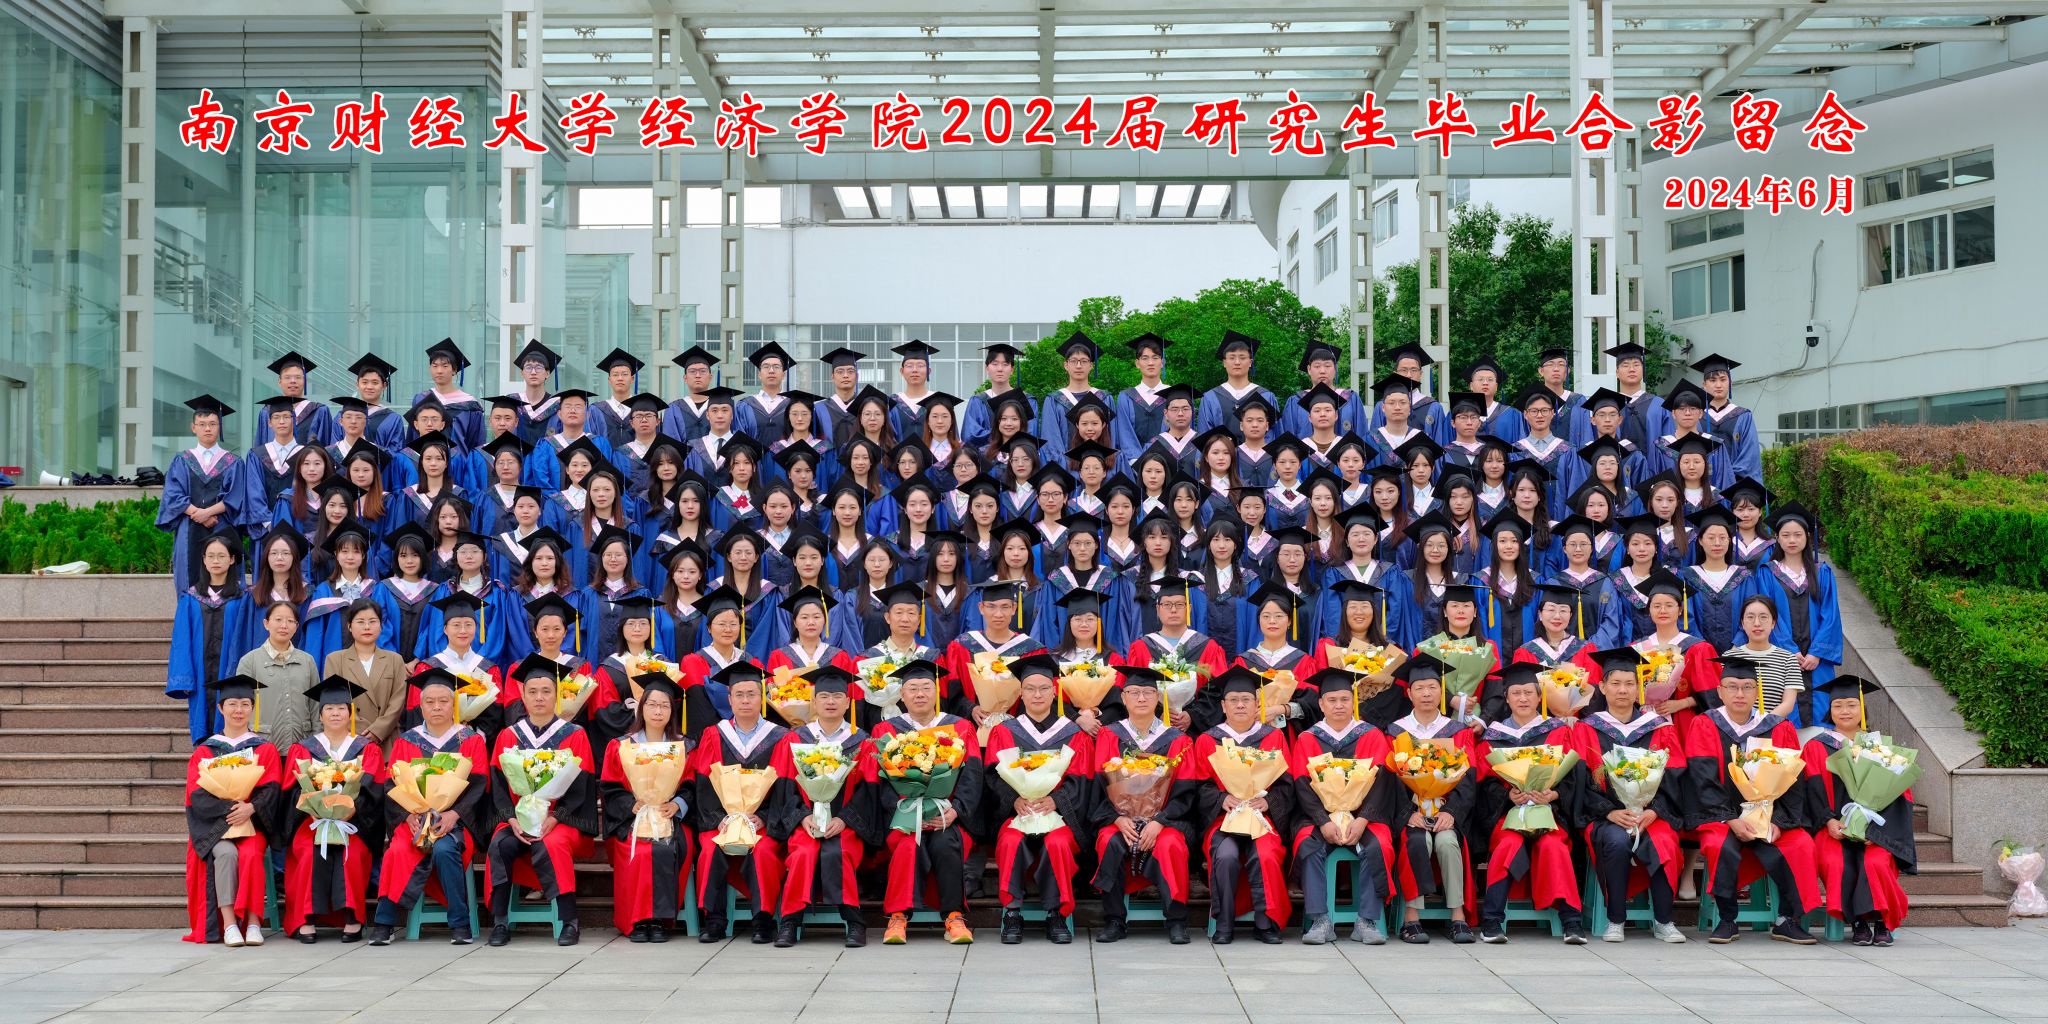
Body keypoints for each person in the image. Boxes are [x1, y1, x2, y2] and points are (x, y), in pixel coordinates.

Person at [1685, 659, 1820, 944]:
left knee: (1801, 844)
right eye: (1732, 687)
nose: (1740, 694)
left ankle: (1787, 920)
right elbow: (1701, 777)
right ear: (1720, 691)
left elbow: (1793, 779)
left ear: (1756, 691)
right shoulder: (1705, 724)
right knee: (1718, 844)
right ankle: (1727, 919)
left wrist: (1779, 822)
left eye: (1747, 687)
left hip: (1770, 816)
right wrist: (1731, 819)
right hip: (1721, 817)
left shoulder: (1778, 727)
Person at [1570, 647, 1689, 944]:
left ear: (1639, 688)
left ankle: (1664, 920)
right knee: (1615, 841)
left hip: (1651, 814)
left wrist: (1655, 810)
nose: (1622, 690)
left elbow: (1675, 776)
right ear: (1602, 687)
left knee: (1664, 841)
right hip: (1606, 816)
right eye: (1615, 684)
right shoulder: (1586, 729)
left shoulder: (1659, 728)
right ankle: (1615, 920)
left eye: (1629, 684)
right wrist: (1608, 812)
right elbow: (1578, 781)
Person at [365, 668, 490, 945]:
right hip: (415, 820)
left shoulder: (470, 740)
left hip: (455, 823)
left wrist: (454, 814)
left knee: (445, 850)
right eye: (430, 702)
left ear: (453, 705)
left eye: (443, 701)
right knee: (397, 850)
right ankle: (384, 923)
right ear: (420, 706)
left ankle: (460, 924)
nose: (436, 707)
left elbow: (480, 785)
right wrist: (406, 816)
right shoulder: (406, 741)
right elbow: (392, 785)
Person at [485, 656, 601, 946]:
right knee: (499, 844)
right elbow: (498, 784)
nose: (539, 698)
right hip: (517, 820)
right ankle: (500, 921)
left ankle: (569, 921)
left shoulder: (574, 735)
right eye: (533, 692)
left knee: (553, 843)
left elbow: (582, 785)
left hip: (561, 821)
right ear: (522, 696)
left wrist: (555, 817)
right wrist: (510, 818)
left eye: (546, 691)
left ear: (557, 695)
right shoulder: (508, 736)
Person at [1472, 663, 1589, 944]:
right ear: (1507, 697)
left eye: (1528, 692)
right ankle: (1492, 920)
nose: (1522, 698)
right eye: (1516, 693)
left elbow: (1573, 777)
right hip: (1507, 815)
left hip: (1550, 813)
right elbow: (1483, 784)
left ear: (1539, 697)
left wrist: (1554, 795)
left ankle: (1572, 921)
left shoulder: (1557, 731)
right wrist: (1507, 796)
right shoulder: (1493, 737)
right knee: (1508, 844)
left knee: (1553, 845)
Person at [983, 652, 1093, 944]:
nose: (1037, 694)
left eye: (1044, 688)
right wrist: (1014, 800)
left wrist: (1057, 801)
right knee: (1010, 841)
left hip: (1059, 816)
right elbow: (992, 775)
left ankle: (1056, 913)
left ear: (1054, 691)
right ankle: (1012, 912)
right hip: (1017, 814)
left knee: (1058, 842)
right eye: (1030, 689)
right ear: (1020, 693)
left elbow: (1082, 778)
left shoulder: (1074, 733)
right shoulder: (1004, 731)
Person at [867, 658, 979, 945]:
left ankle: (954, 917)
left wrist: (956, 811)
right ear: (902, 695)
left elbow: (972, 776)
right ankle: (898, 916)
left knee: (946, 843)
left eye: (926, 687)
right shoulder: (886, 731)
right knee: (907, 845)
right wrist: (906, 811)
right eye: (913, 689)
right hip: (903, 816)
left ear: (937, 691)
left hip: (947, 816)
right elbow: (880, 782)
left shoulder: (960, 726)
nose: (920, 694)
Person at [1290, 667, 1403, 945]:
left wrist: (1363, 819)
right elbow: (1302, 785)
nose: (1339, 705)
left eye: (1344, 699)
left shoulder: (1371, 735)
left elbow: (1381, 782)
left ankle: (1366, 921)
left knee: (1379, 845)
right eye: (1332, 700)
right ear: (1321, 704)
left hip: (1364, 817)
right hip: (1320, 818)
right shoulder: (1308, 738)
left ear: (1353, 702)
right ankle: (1320, 920)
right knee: (1307, 845)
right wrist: (1323, 821)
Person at [1088, 665, 1198, 944]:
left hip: (1165, 821)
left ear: (1158, 698)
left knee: (1171, 844)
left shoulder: (1178, 739)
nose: (1141, 698)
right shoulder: (1109, 735)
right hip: (1119, 819)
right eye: (1134, 692)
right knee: (1108, 841)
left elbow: (1186, 791)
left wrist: (1160, 821)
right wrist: (1116, 818)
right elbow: (1099, 785)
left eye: (1148, 692)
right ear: (1123, 698)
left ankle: (1176, 920)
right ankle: (1114, 920)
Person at [767, 664, 875, 947]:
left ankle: (854, 922)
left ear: (848, 702)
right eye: (824, 696)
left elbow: (868, 791)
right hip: (808, 822)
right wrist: (802, 817)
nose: (830, 702)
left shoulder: (862, 742)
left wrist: (846, 819)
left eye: (837, 696)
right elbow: (785, 787)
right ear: (813, 702)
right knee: (803, 852)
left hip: (845, 825)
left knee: (839, 852)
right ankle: (789, 921)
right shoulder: (795, 739)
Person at [1803, 675, 1914, 947]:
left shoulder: (1880, 748)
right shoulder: (1816, 747)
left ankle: (1882, 921)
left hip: (1877, 830)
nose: (1845, 711)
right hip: (1833, 830)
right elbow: (1810, 791)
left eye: (1851, 705)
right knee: (1836, 862)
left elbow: (1899, 795)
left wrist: (1875, 832)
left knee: (1875, 862)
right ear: (1830, 710)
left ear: (1862, 708)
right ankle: (1858, 921)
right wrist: (1828, 821)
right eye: (1838, 705)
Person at [1193, 666, 1295, 944]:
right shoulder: (1207, 740)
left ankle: (1266, 922)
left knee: (1266, 853)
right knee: (1225, 854)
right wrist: (1221, 799)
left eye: (1246, 699)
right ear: (1223, 706)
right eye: (1234, 700)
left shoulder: (1273, 737)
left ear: (1256, 704)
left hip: (1262, 818)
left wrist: (1268, 801)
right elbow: (1198, 786)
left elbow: (1286, 783)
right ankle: (1224, 923)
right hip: (1222, 819)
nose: (1240, 705)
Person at [689, 662, 789, 944]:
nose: (746, 700)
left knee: (764, 850)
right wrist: (719, 818)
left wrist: (765, 817)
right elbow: (704, 784)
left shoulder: (780, 737)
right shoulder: (713, 735)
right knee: (711, 847)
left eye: (752, 694)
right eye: (739, 695)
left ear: (762, 697)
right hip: (722, 820)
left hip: (762, 823)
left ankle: (762, 920)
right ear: (730, 699)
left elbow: (784, 788)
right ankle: (715, 919)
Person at [181, 675, 284, 946]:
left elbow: (272, 788)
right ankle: (229, 925)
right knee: (226, 855)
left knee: (251, 855)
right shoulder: (205, 751)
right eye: (233, 704)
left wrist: (251, 807)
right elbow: (196, 796)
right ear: (221, 708)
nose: (239, 710)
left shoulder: (265, 749)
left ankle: (253, 923)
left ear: (252, 708)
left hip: (252, 824)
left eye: (245, 704)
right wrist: (231, 809)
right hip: (217, 826)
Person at [281, 676, 385, 943]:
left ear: (350, 714)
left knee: (353, 852)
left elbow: (373, 790)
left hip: (354, 823)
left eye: (341, 708)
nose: (335, 713)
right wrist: (312, 808)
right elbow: (292, 790)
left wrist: (351, 810)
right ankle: (306, 918)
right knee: (308, 851)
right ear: (320, 715)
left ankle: (352, 917)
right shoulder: (303, 749)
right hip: (311, 822)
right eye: (329, 708)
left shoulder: (366, 750)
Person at [1386, 654, 1478, 943]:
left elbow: (1468, 777)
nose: (1426, 693)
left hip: (1446, 810)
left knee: (1448, 842)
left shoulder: (1458, 732)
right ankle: (1411, 917)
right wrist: (1407, 813)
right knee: (1419, 840)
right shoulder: (1395, 731)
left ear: (1441, 691)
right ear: (1409, 693)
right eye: (1419, 688)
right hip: (1412, 812)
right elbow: (1390, 780)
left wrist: (1452, 812)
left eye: (1432, 687)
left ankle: (1458, 917)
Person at [599, 672, 694, 943]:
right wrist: (631, 805)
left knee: (665, 848)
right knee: (639, 852)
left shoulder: (684, 746)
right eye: (652, 704)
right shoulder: (621, 746)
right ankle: (638, 920)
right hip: (632, 819)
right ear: (641, 708)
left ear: (672, 711)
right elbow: (609, 787)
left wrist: (677, 804)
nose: (658, 711)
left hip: (671, 818)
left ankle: (660, 920)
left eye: (664, 706)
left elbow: (692, 785)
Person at [1754, 501, 1843, 727]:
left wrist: (1816, 653)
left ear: (1807, 537)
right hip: (1783, 658)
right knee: (1785, 715)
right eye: (1786, 535)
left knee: (1821, 712)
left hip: (1817, 661)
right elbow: (1767, 616)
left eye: (1797, 535)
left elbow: (1831, 616)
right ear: (1777, 538)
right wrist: (1790, 651)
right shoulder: (1767, 573)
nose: (1792, 540)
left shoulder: (1822, 572)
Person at [170, 530, 260, 743]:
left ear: (232, 559)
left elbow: (247, 637)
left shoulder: (243, 597)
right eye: (210, 556)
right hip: (200, 672)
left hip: (230, 672)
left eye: (221, 556)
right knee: (203, 726)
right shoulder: (190, 597)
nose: (215, 561)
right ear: (203, 560)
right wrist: (185, 677)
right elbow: (181, 641)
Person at [160, 395, 253, 596]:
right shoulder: (182, 460)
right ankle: (190, 615)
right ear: (193, 427)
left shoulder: (233, 461)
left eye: (212, 424)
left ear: (220, 426)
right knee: (188, 579)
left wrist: (207, 513)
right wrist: (199, 514)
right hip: (189, 527)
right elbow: (173, 495)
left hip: (222, 525)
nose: (207, 429)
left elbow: (236, 497)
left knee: (226, 580)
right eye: (202, 424)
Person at [233, 600, 320, 754]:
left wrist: (316, 742)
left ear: (296, 627)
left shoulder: (307, 661)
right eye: (278, 619)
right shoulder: (249, 661)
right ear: (266, 623)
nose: (284, 625)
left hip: (302, 745)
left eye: (290, 621)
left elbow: (315, 705)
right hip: (262, 745)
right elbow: (241, 706)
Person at [320, 599, 409, 747]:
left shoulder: (395, 659)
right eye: (360, 622)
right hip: (350, 738)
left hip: (387, 738)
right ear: (349, 626)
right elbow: (335, 700)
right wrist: (361, 729)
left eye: (372, 621)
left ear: (381, 626)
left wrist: (378, 730)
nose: (367, 627)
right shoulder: (335, 660)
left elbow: (398, 701)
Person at [1722, 596, 1805, 720]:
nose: (1757, 623)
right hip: (1734, 727)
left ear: (1773, 623)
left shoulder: (1788, 659)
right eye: (1750, 617)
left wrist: (1762, 725)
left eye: (1763, 617)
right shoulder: (1728, 658)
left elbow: (1788, 704)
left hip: (1772, 727)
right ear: (1742, 623)